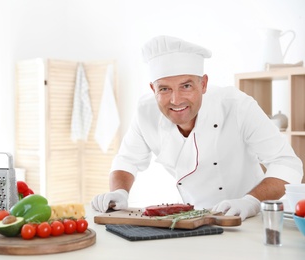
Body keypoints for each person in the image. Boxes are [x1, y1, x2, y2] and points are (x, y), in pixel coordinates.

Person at [91, 35, 303, 220]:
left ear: (203, 84)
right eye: (164, 88)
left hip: (249, 218)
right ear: (152, 88)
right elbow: (127, 160)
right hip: (193, 218)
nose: (176, 99)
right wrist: (119, 192)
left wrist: (251, 201)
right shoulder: (146, 112)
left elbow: (287, 164)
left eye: (186, 86)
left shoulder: (237, 106)